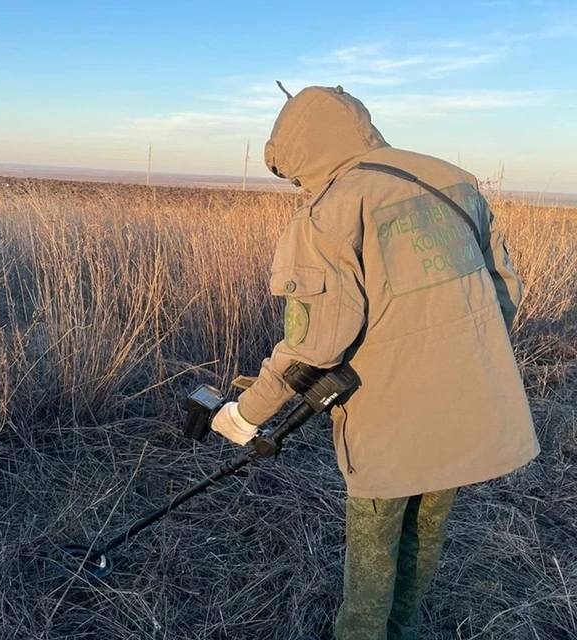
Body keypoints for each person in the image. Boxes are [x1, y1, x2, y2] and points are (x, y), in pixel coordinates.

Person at [209, 85, 540, 640]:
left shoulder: (330, 209)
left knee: (371, 566)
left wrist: (244, 414)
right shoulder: (453, 179)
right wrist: (464, 362)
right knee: (424, 542)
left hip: (389, 426)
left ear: (302, 150)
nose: (296, 186)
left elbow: (314, 346)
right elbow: (506, 291)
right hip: (469, 410)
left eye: (291, 174)